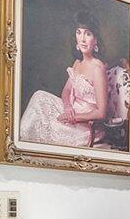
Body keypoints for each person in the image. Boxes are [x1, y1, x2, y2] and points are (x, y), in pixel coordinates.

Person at [17, 15, 108, 147]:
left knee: (51, 124)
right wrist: (67, 106)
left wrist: (74, 117)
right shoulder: (77, 63)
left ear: (96, 40)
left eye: (88, 34)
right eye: (79, 32)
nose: (82, 39)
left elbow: (101, 113)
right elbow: (66, 90)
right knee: (39, 96)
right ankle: (20, 144)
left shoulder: (98, 68)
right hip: (72, 109)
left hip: (86, 124)